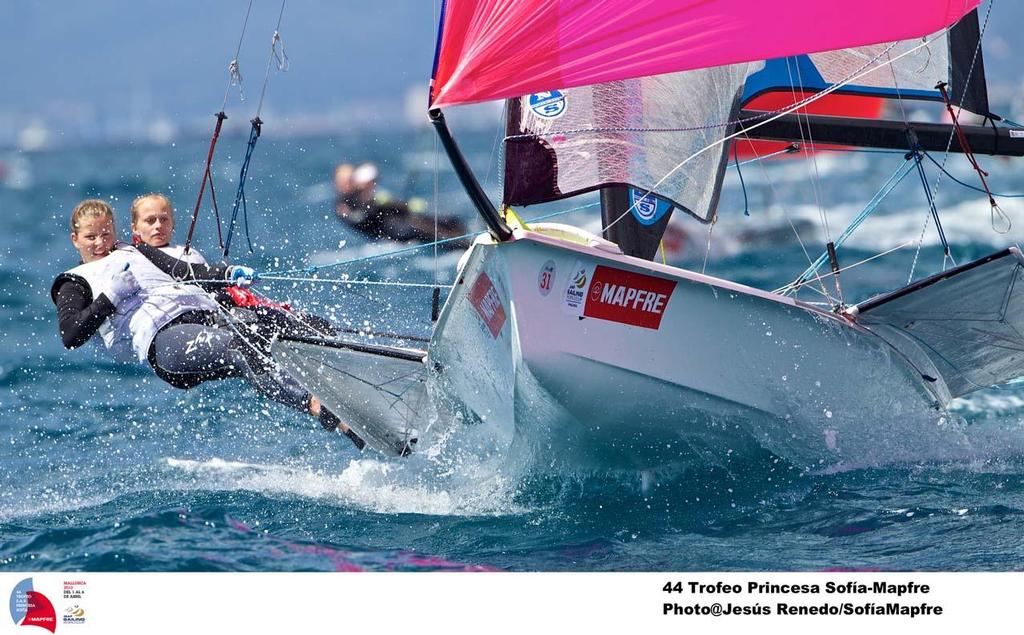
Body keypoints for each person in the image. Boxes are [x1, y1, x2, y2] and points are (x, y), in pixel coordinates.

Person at [51, 198, 375, 452]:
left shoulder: (136, 250)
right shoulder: (75, 281)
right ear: (75, 239)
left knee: (290, 323)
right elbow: (71, 335)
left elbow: (184, 271)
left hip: (208, 320)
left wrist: (227, 273)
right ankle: (328, 412)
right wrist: (110, 297)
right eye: (90, 237)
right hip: (167, 343)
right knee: (242, 347)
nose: (99, 242)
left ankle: (370, 375)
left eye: (106, 233)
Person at [333, 161, 469, 247]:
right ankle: (465, 245)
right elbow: (361, 219)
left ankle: (467, 235)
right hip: (393, 232)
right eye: (347, 179)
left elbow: (388, 204)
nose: (351, 182)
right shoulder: (342, 205)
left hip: (402, 219)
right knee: (424, 229)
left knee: (447, 220)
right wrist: (372, 202)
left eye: (352, 177)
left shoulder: (364, 193)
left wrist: (406, 205)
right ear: (339, 183)